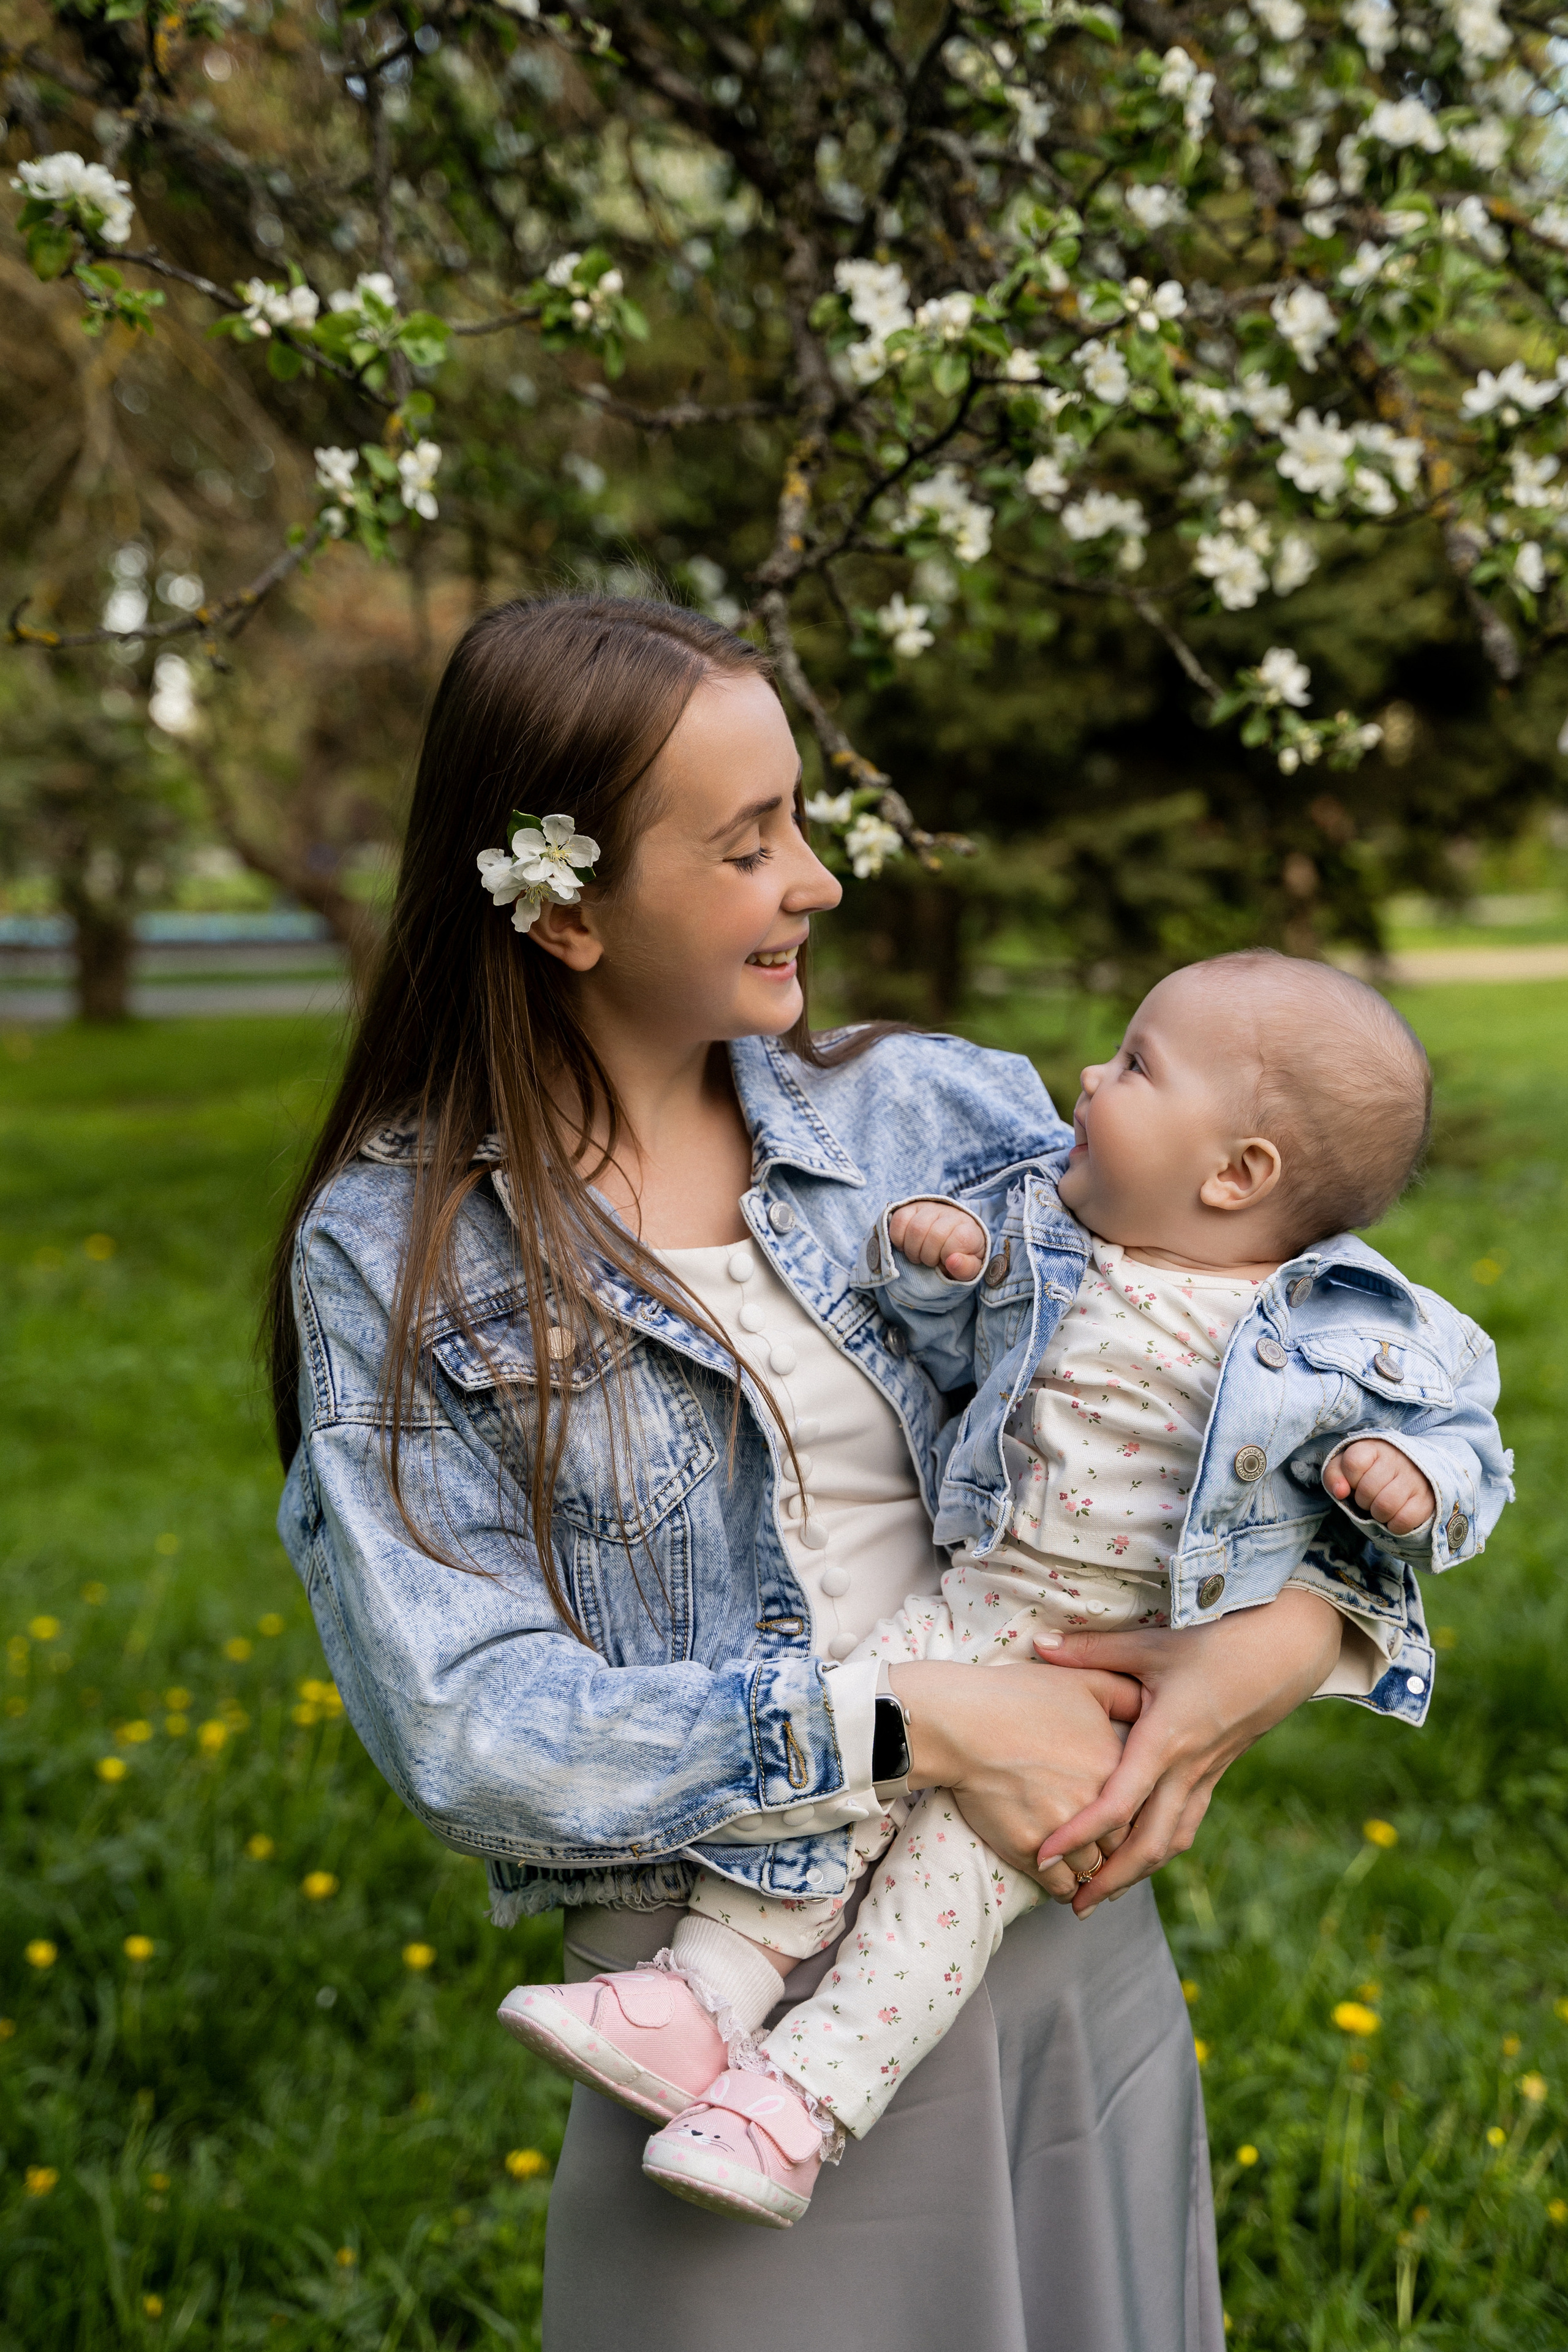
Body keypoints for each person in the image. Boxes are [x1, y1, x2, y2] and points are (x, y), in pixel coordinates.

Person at [269, 592, 1395, 2352]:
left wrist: (1264, 1662)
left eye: (800, 816)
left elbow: (1293, 1384)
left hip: (1053, 1943)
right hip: (724, 2007)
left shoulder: (938, 1120)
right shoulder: (401, 1252)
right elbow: (465, 1726)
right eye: (748, 843)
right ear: (564, 908)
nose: (820, 881)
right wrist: (918, 1724)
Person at [503, 951, 1510, 2226]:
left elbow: (1467, 1445)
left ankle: (796, 2104)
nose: (1089, 1077)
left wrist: (1407, 1474)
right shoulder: (1050, 1232)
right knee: (843, 1764)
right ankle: (696, 1996)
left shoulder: (1348, 1329)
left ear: (1235, 1174)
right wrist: (943, 1268)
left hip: (1103, 1672)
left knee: (944, 1893)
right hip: (978, 1597)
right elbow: (939, 1362)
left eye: (1136, 1064)